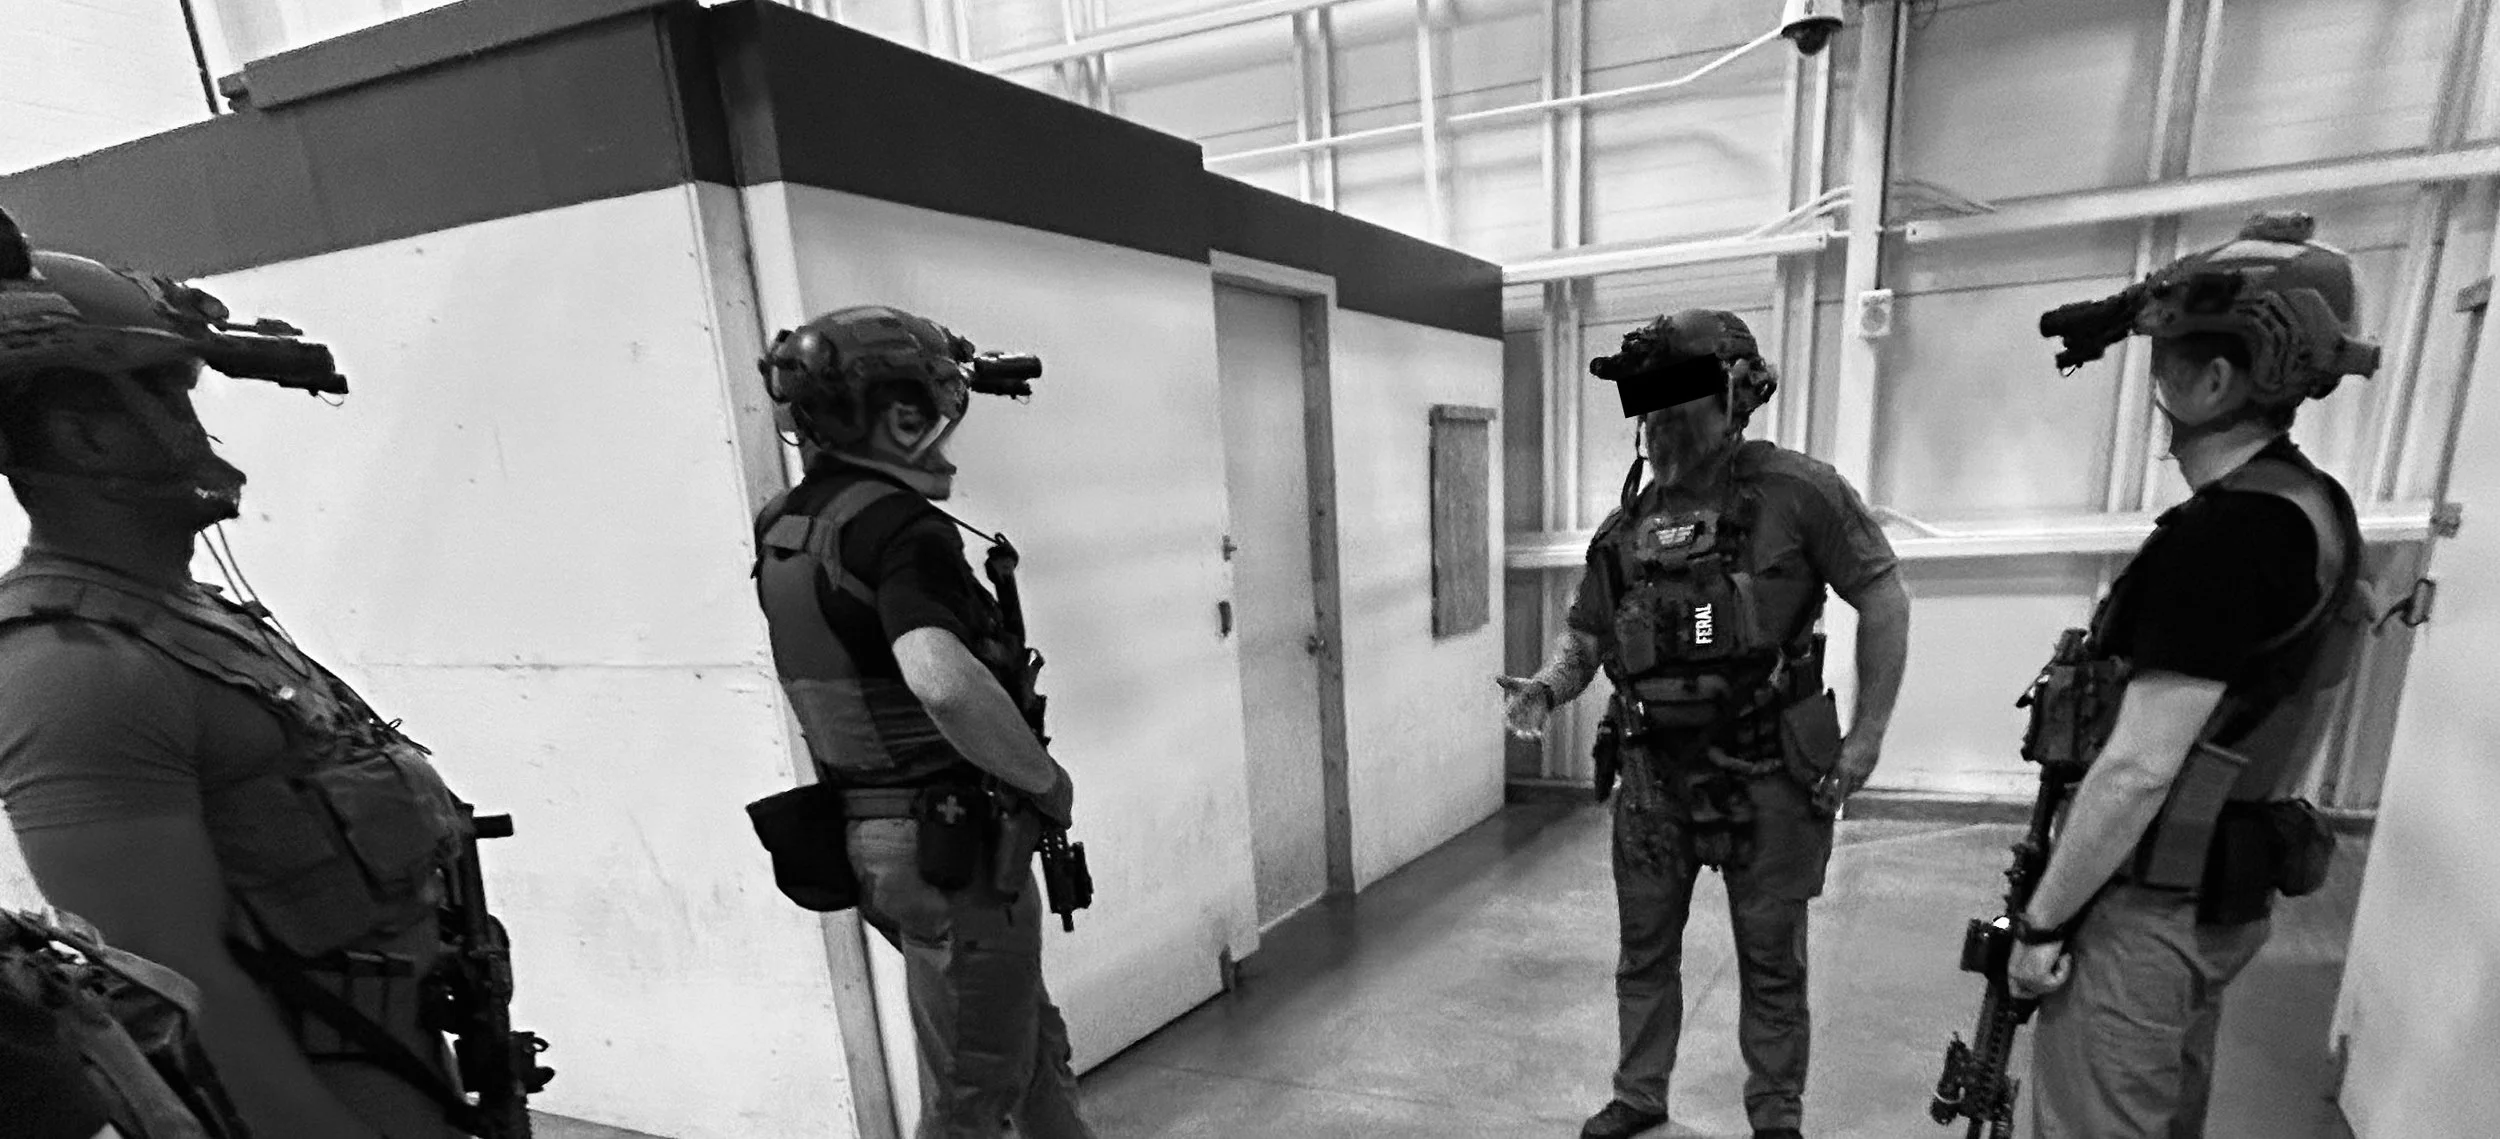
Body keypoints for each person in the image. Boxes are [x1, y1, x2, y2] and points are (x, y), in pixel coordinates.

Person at [0, 208, 483, 1138]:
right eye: (169, 398)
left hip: (403, 1068)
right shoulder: (75, 671)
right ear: (87, 441)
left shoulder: (193, 618)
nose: (196, 427)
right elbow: (174, 990)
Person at [2005, 211, 2381, 1137]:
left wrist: (2044, 923)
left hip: (2148, 912)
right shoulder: (2311, 504)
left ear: (2215, 380)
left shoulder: (2223, 539)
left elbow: (2138, 768)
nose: (2156, 383)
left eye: (2165, 359)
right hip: (2218, 894)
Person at [1498, 309, 1912, 1139]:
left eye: (1680, 405)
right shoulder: (1624, 532)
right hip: (1655, 778)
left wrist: (1867, 737)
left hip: (1769, 775)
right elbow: (1587, 634)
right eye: (1651, 410)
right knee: (1644, 954)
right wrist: (1547, 687)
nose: (1661, 425)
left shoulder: (1801, 493)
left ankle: (1775, 1116)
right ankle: (1640, 1094)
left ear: (1736, 398)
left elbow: (1883, 596)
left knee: (1771, 961)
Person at [750, 304, 1094, 1138]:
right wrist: (1044, 781)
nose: (942, 427)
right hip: (953, 850)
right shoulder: (904, 530)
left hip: (875, 837)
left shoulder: (790, 524)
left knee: (1023, 1043)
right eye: (932, 407)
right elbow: (940, 681)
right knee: (970, 1095)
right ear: (897, 414)